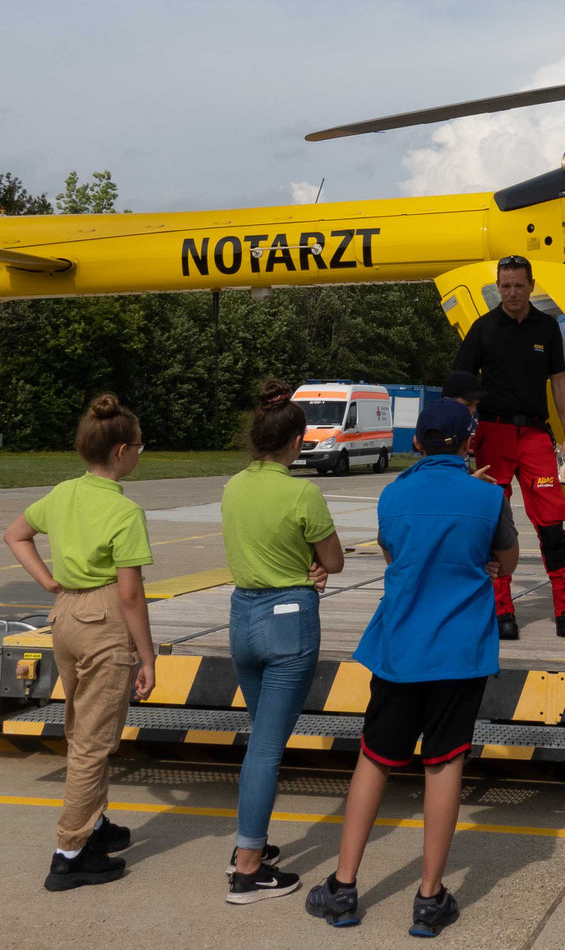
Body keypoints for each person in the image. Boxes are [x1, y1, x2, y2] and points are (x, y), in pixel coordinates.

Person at [305, 399, 519, 938]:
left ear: (418, 442)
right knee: (443, 764)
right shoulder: (489, 496)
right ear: (469, 443)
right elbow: (506, 563)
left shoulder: (394, 493)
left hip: (401, 649)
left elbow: (394, 553)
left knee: (374, 760)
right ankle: (428, 899)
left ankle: (344, 887)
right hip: (458, 652)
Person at [2, 394, 156, 892]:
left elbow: (16, 534)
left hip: (65, 614)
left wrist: (48, 582)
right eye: (138, 446)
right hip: (104, 617)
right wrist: (147, 657)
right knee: (93, 741)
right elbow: (131, 596)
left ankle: (96, 824)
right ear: (120, 452)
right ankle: (70, 851)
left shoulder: (64, 493)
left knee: (81, 725)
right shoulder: (124, 511)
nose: (139, 453)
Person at [219, 379, 347, 905]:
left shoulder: (233, 487)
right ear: (296, 441)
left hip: (242, 617)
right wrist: (313, 568)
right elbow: (333, 560)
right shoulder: (302, 491)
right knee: (266, 748)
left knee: (261, 738)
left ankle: (254, 842)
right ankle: (247, 867)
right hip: (288, 618)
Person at [452, 254, 565, 641]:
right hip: (492, 436)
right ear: (498, 287)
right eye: (505, 286)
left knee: (552, 525)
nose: (512, 292)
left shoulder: (547, 327)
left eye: (519, 285)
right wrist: (459, 439)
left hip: (533, 437)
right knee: (493, 523)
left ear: (531, 285)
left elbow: (559, 381)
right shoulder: (482, 329)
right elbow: (459, 388)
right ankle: (501, 612)